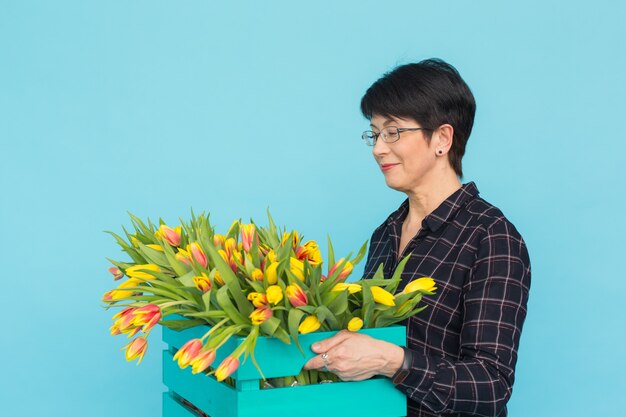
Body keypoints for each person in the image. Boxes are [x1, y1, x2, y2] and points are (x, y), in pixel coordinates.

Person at [303, 58, 531, 417]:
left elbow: (491, 386)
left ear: (442, 138)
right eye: (374, 133)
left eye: (393, 131)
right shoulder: (386, 233)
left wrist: (390, 360)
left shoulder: (492, 237)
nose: (378, 148)